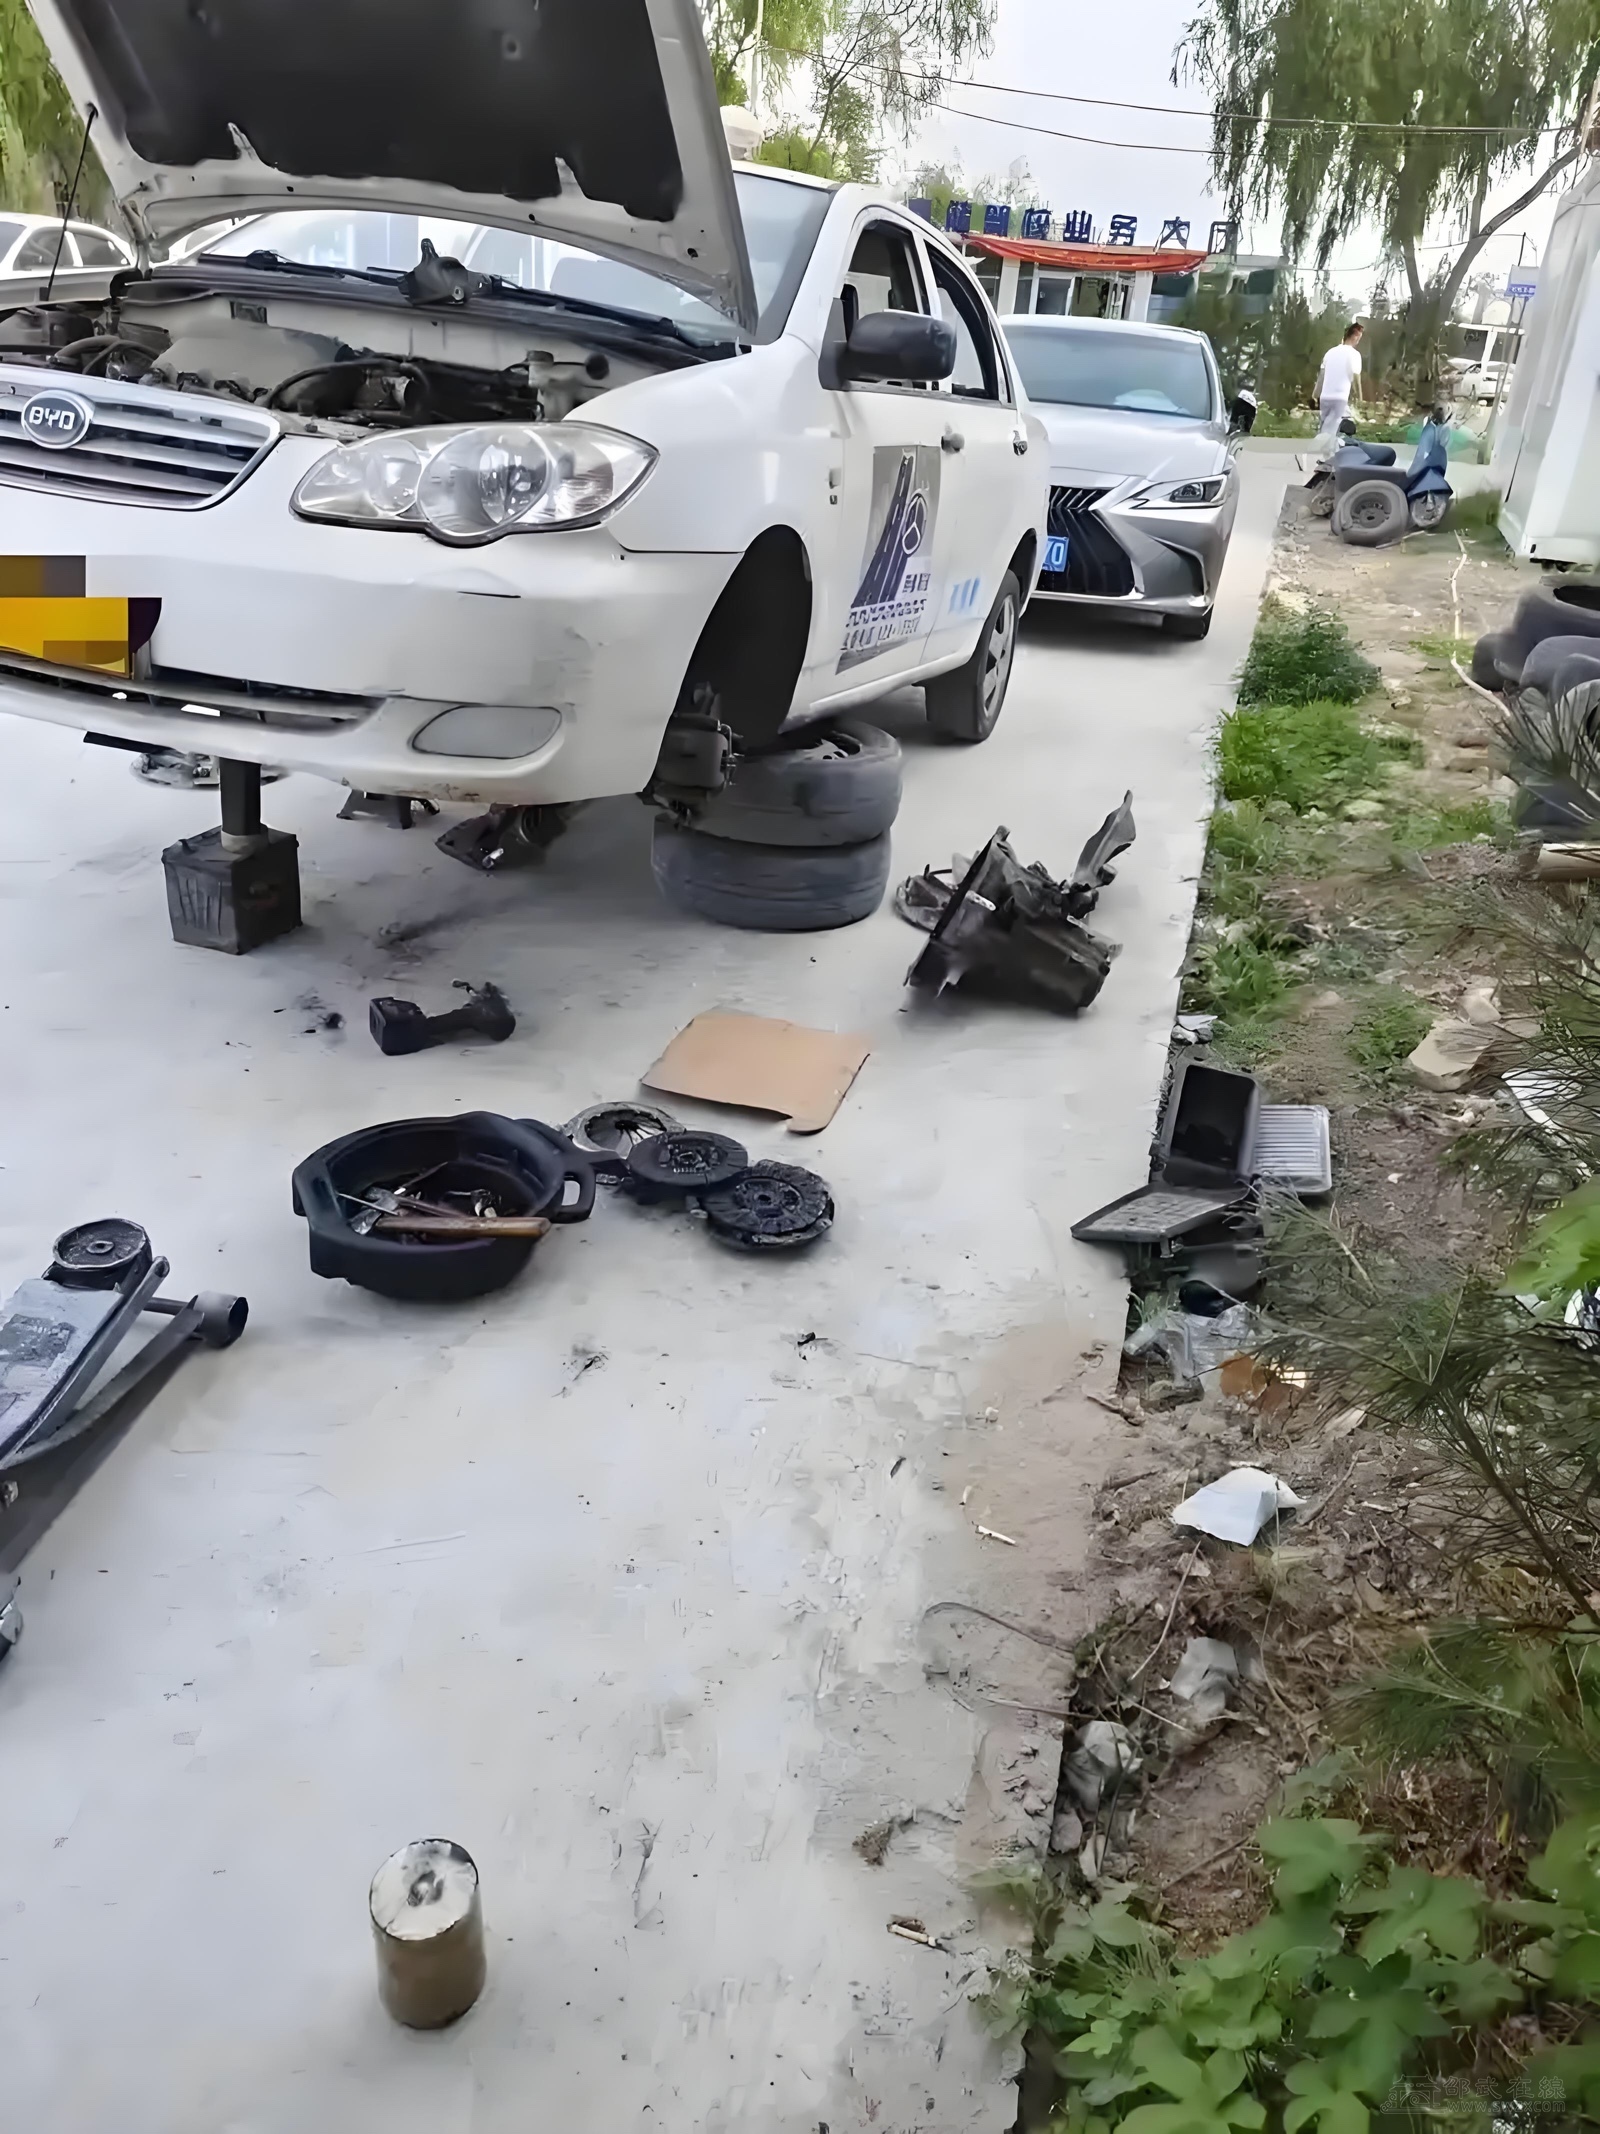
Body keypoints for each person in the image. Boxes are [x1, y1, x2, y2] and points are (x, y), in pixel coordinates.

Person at [1315, 322, 1363, 448]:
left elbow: (1321, 376)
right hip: (1339, 397)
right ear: (1355, 336)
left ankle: (1324, 452)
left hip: (1325, 397)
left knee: (1325, 426)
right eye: (1359, 337)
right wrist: (1359, 396)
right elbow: (1356, 377)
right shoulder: (1354, 354)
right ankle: (1327, 455)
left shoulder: (1330, 352)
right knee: (1332, 429)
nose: (1358, 341)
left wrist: (1315, 394)